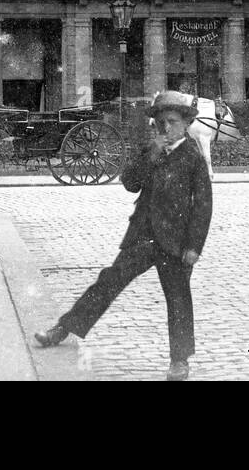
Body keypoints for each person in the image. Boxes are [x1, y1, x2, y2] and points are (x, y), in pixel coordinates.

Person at [33, 90, 213, 381]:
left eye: (172, 122)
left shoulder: (193, 157)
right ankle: (63, 328)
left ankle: (179, 362)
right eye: (160, 122)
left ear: (186, 123)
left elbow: (203, 206)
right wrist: (153, 152)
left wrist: (194, 247)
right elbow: (129, 182)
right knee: (108, 282)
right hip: (142, 235)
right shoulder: (151, 149)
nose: (166, 128)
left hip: (176, 244)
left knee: (178, 300)